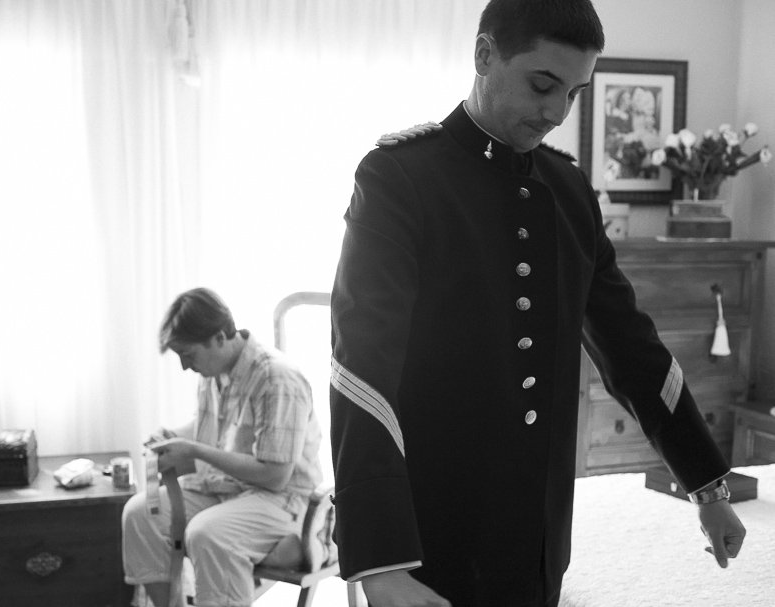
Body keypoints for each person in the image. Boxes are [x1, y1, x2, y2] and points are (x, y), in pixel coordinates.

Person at [328, 1, 747, 606]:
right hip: (425, 535)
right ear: (483, 55)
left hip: (537, 536)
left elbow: (631, 348)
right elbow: (361, 370)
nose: (556, 112)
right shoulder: (400, 179)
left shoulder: (570, 189)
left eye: (574, 93)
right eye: (542, 85)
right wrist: (380, 562)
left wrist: (707, 485)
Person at [122, 287, 323, 607]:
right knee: (139, 512)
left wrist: (195, 451)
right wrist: (172, 437)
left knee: (208, 532)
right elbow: (215, 430)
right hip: (225, 487)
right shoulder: (214, 371)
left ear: (218, 337)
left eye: (188, 354)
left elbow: (274, 476)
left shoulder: (277, 378)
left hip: (281, 500)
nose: (185, 366)